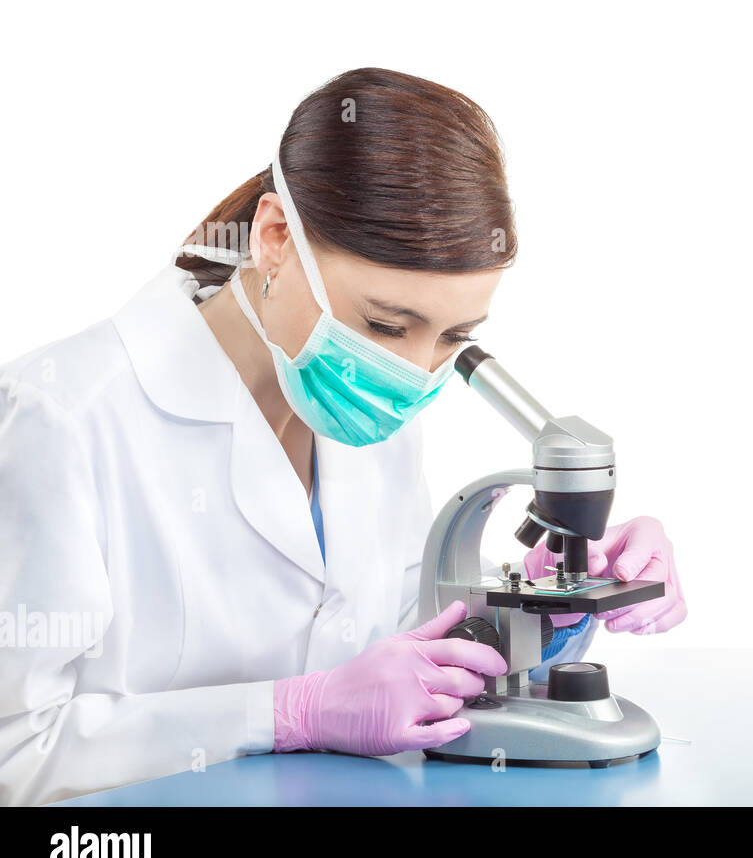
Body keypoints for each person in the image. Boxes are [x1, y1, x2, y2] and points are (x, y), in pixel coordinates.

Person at [0, 68, 686, 806]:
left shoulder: (364, 416)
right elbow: (16, 749)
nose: (412, 372)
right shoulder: (60, 419)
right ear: (272, 241)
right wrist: (292, 711)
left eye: (452, 336)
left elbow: (396, 650)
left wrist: (544, 599)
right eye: (386, 325)